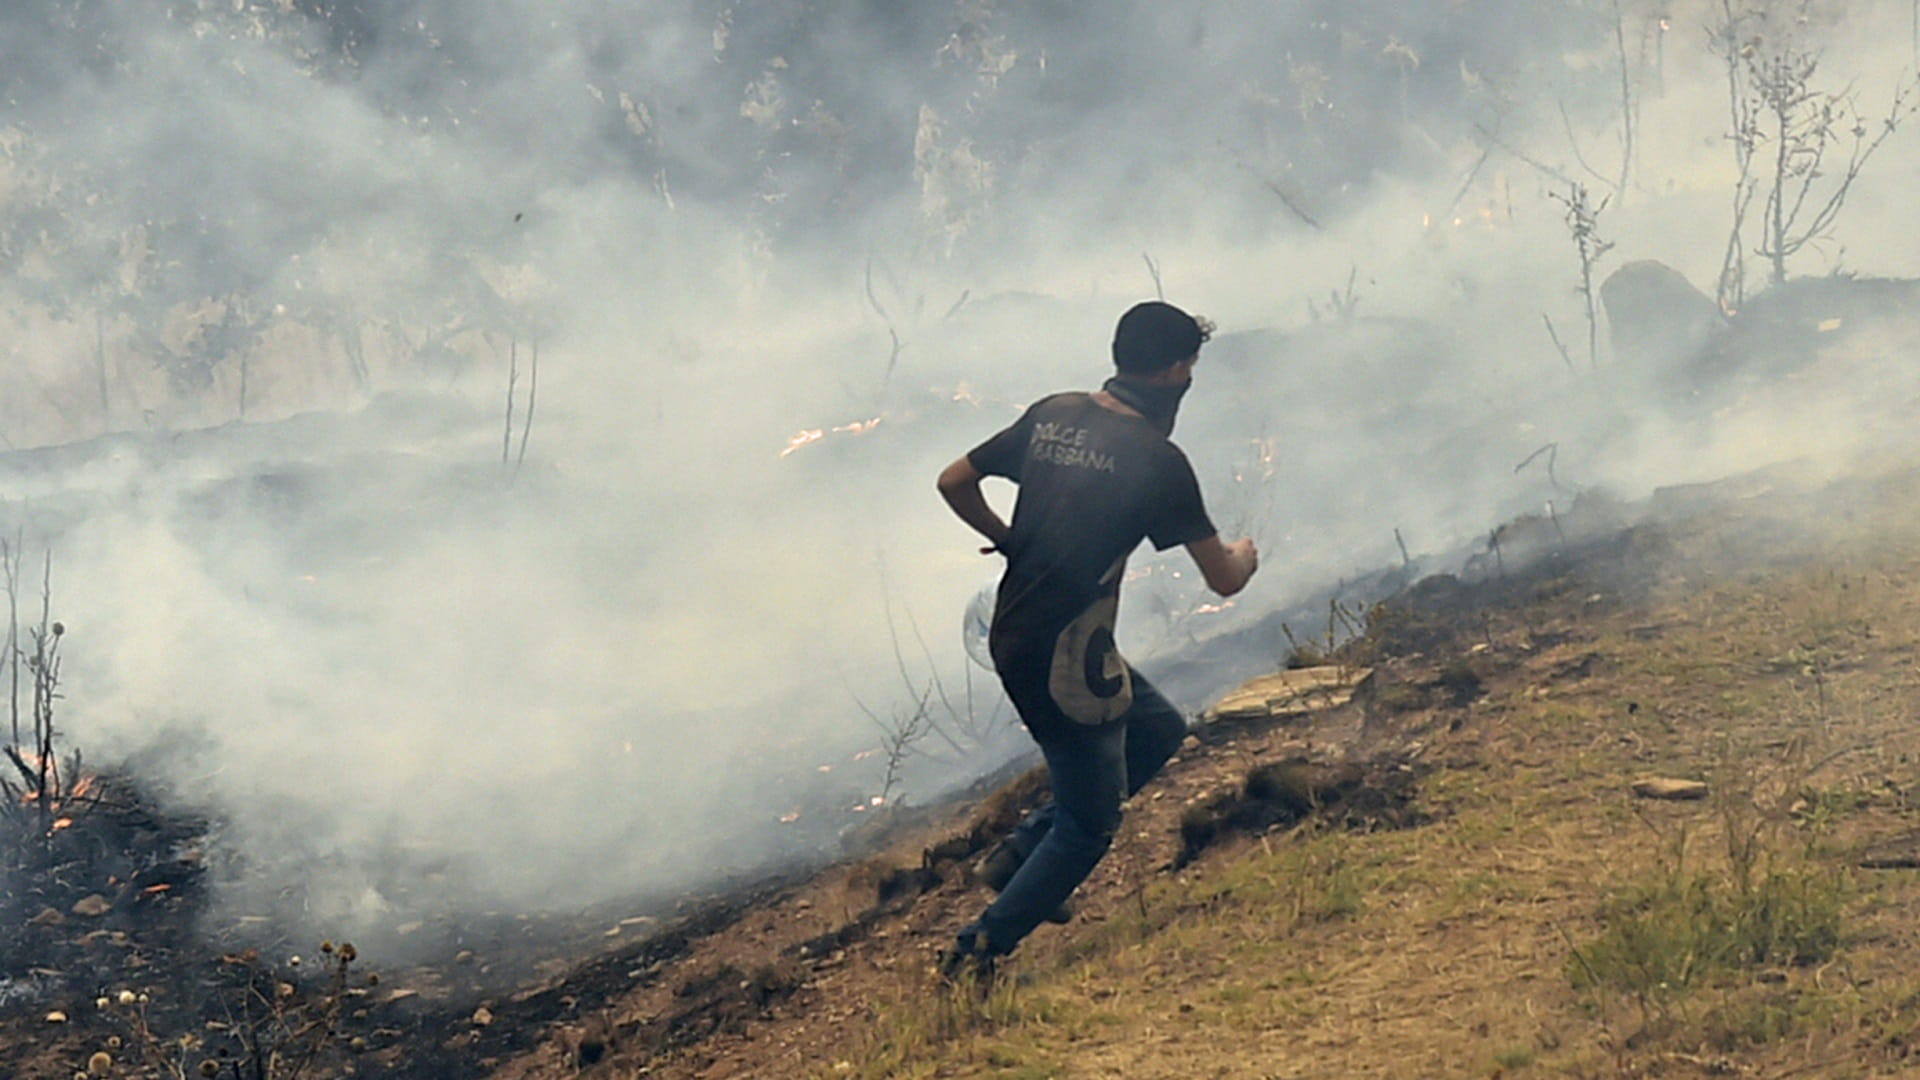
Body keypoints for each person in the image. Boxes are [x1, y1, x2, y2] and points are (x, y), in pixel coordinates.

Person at [934, 300, 1259, 983]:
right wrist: (1247, 554)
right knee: (1087, 826)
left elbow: (954, 480)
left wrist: (1008, 537)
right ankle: (977, 954)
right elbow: (1224, 580)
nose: (1190, 378)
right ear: (1174, 370)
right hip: (1067, 658)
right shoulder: (1157, 461)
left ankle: (1020, 857)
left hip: (1014, 629)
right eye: (1190, 366)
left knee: (1158, 728)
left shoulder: (1054, 413)